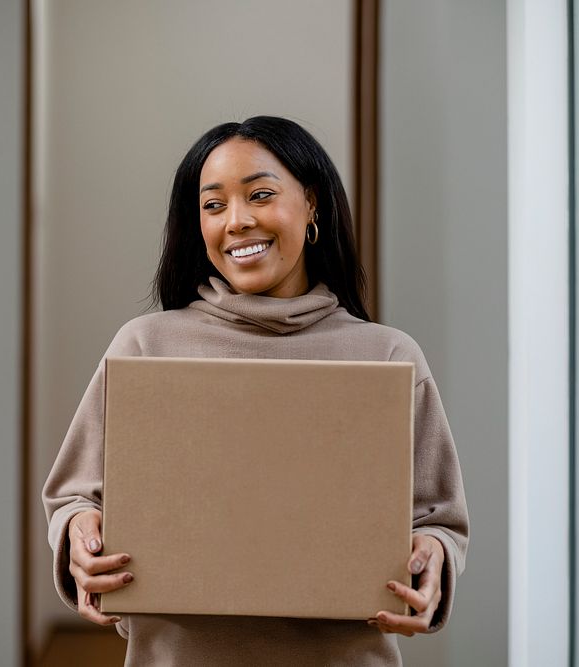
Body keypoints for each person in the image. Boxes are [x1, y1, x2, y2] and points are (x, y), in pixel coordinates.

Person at [42, 116, 469, 665]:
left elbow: (439, 519)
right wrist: (79, 533)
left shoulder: (388, 356)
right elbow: (75, 495)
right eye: (213, 205)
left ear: (312, 204)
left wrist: (433, 554)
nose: (237, 222)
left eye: (261, 195)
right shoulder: (145, 345)